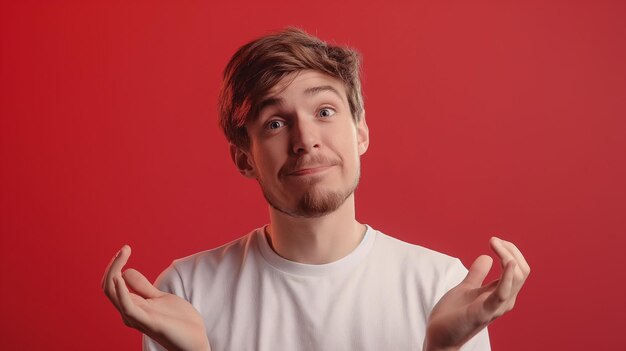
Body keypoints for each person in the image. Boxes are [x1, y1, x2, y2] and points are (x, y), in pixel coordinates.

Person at [102, 27, 530, 351]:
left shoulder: (442, 287)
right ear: (244, 158)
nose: (305, 139)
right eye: (275, 122)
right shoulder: (186, 292)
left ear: (360, 132)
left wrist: (441, 349)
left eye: (324, 110)